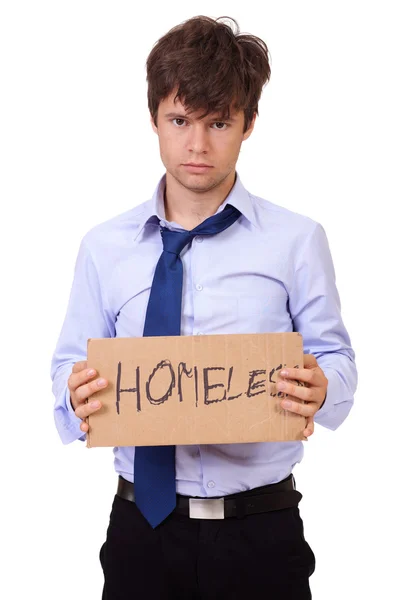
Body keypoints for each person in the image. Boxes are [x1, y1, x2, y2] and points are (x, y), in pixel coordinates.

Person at [50, 15, 357, 600]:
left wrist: (323, 386)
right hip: (141, 530)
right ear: (154, 121)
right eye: (180, 120)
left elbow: (336, 359)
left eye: (219, 122)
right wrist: (74, 393)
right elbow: (67, 364)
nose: (197, 144)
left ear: (248, 124)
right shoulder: (103, 247)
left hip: (261, 532)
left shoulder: (296, 240)